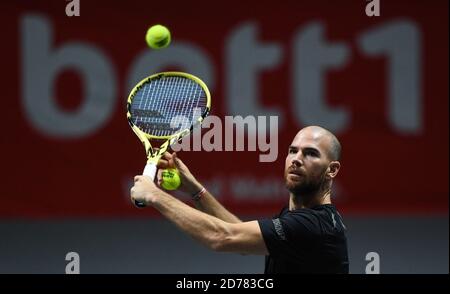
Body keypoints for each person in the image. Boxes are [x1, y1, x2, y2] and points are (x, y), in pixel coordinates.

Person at [130, 125, 349, 273]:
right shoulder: (298, 217)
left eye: (311, 153)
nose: (297, 159)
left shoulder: (311, 226)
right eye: (293, 151)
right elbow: (241, 238)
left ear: (332, 170)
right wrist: (194, 189)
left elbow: (222, 237)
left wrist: (154, 195)